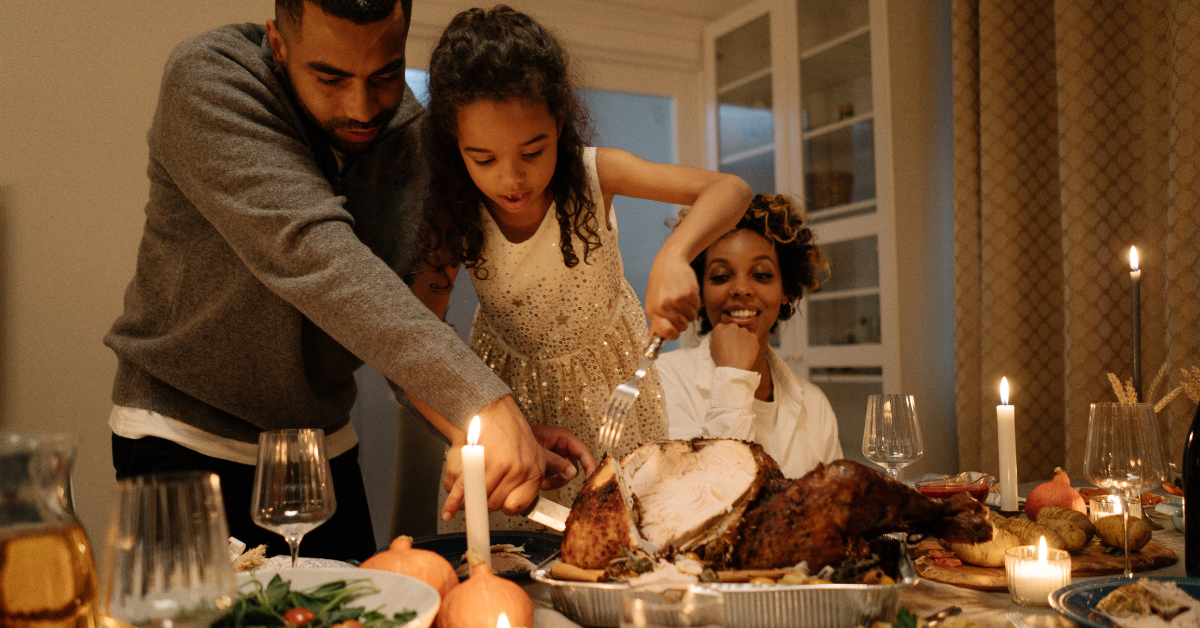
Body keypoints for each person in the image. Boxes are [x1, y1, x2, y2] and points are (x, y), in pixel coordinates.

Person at [103, 0, 580, 562]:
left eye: (385, 75)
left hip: (320, 448)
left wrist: (489, 429)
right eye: (330, 76)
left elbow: (399, 321)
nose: (361, 106)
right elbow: (314, 255)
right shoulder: (209, 78)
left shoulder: (414, 139)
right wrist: (486, 402)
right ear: (278, 44)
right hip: (181, 436)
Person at [410, 5, 753, 529]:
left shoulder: (598, 174)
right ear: (455, 146)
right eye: (483, 159)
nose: (512, 178)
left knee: (626, 546)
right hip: (508, 398)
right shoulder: (453, 213)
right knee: (514, 559)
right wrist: (470, 431)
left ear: (560, 122)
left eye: (533, 150)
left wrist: (675, 253)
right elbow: (414, 343)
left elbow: (731, 190)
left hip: (615, 393)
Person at [657, 194, 843, 478]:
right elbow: (704, 502)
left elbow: (834, 511)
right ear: (700, 293)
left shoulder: (814, 404)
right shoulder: (664, 382)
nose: (741, 289)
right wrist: (732, 375)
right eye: (720, 276)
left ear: (785, 292)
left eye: (761, 275)